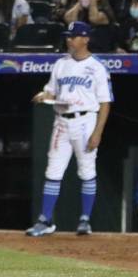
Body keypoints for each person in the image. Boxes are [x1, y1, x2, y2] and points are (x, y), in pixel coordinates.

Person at [26, 21, 113, 237]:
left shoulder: (97, 67)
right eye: (68, 36)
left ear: (85, 39)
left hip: (85, 120)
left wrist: (98, 132)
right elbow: (52, 92)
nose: (68, 39)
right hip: (61, 121)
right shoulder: (60, 64)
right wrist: (43, 95)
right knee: (53, 171)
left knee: (86, 171)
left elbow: (105, 102)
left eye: (73, 36)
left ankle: (85, 220)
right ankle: (45, 220)